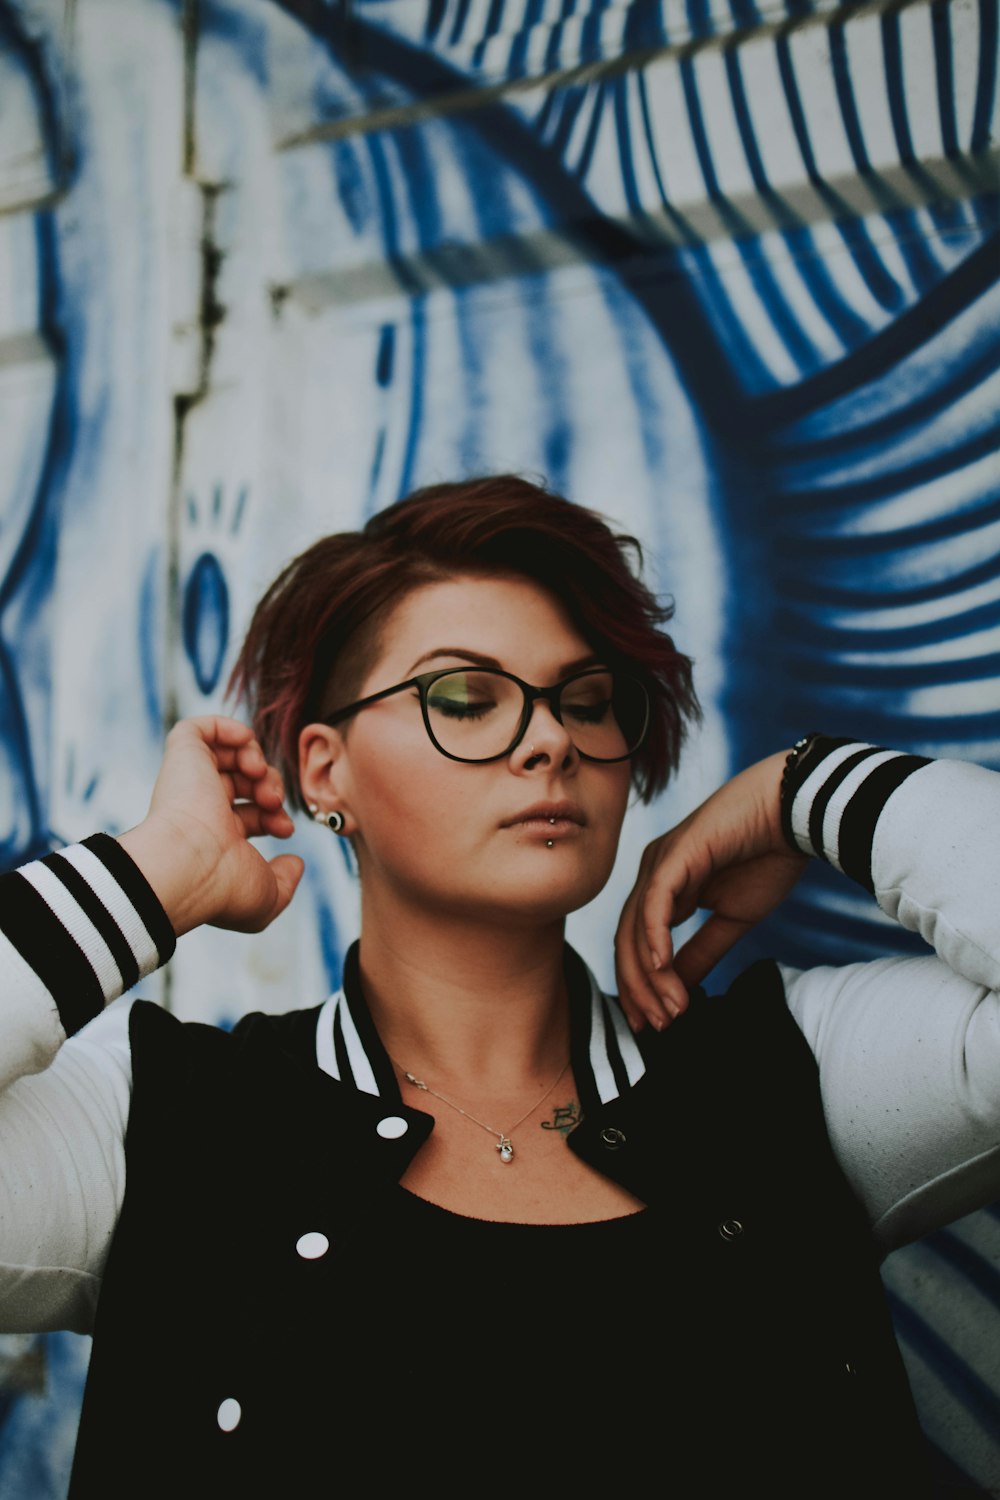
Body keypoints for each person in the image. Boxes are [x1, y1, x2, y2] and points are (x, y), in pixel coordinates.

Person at [0, 475, 997, 1498]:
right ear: (325, 769)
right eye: (464, 699)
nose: (549, 740)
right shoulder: (167, 1123)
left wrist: (809, 790)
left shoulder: (792, 1079)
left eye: (586, 700)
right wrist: (155, 874)